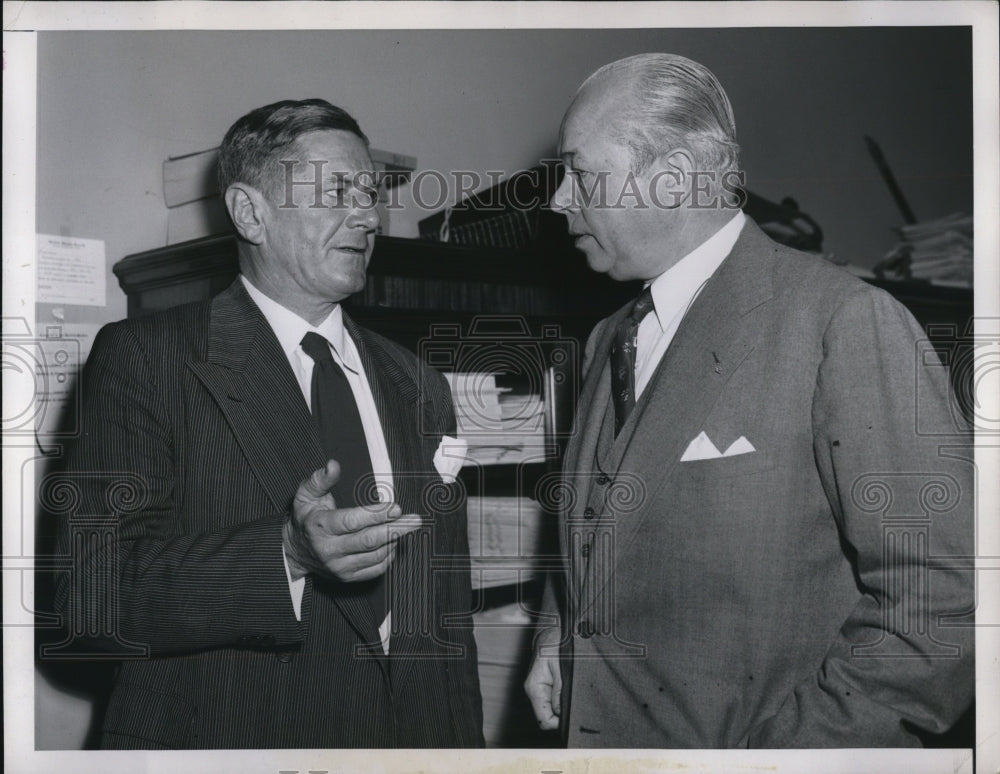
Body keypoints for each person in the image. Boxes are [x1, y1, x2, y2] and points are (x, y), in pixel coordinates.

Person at [525, 54, 974, 748]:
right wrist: (558, 633)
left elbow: (941, 606)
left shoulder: (844, 322)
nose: (557, 200)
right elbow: (600, 527)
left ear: (672, 179)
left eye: (580, 174)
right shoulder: (606, 337)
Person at [51, 98, 483, 749]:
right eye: (336, 191)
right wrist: (286, 553)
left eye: (369, 192)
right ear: (250, 212)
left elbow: (447, 617)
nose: (368, 216)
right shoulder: (149, 359)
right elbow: (88, 599)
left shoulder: (415, 382)